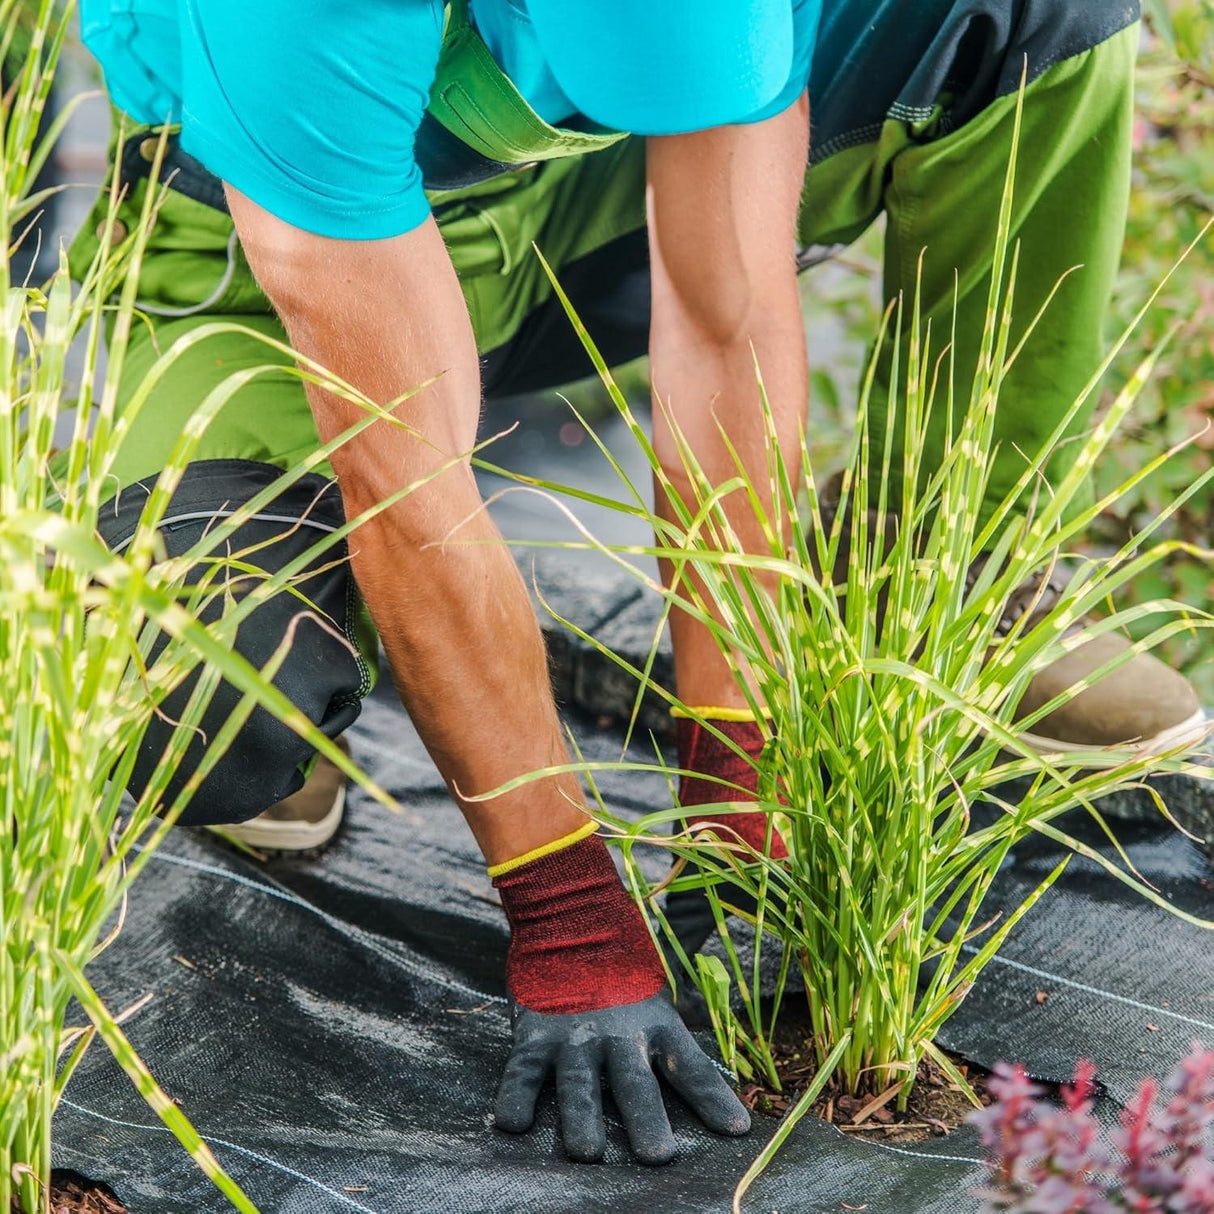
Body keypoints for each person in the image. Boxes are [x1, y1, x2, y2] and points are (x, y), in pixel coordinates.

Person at [73, 0, 1202, 1167]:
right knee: (207, 695)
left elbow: (727, 323)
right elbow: (405, 474)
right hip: (267, 248)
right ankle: (312, 660)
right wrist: (564, 906)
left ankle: (932, 579)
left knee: (1037, 13)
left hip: (583, 193)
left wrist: (737, 781)